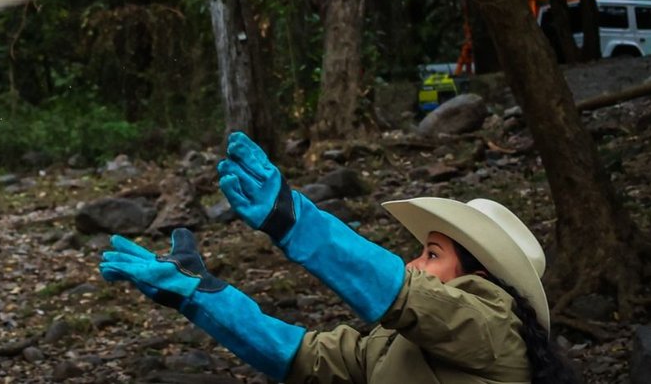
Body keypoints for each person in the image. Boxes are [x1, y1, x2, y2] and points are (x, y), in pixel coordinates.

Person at [99, 132, 581, 383]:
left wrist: (292, 219)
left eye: (431, 254)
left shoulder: (492, 326)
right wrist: (199, 295)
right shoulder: (394, 347)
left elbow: (403, 292)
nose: (413, 263)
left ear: (481, 276)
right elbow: (301, 356)